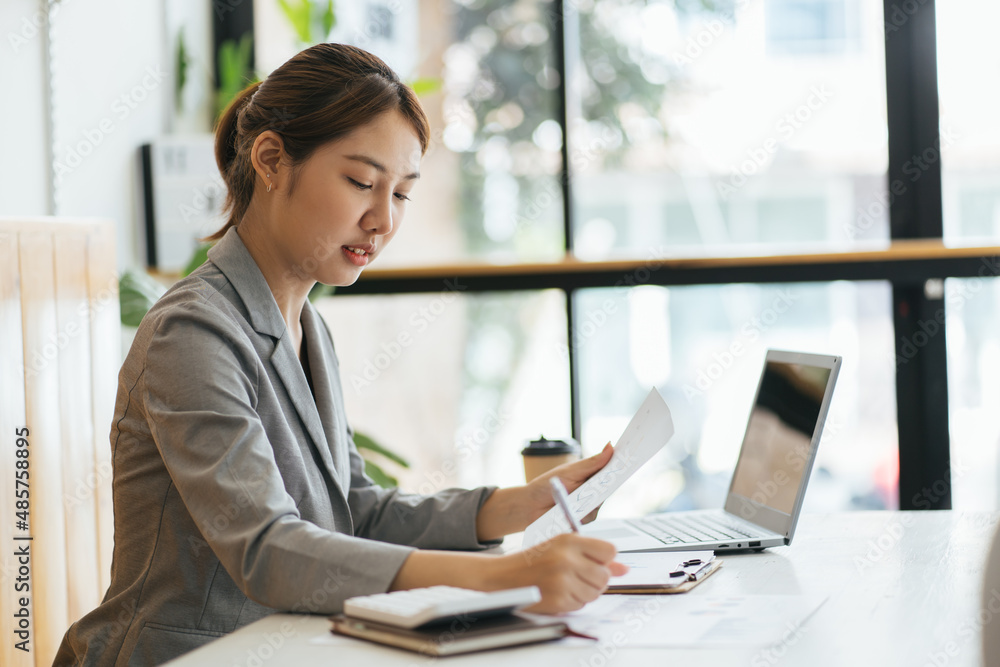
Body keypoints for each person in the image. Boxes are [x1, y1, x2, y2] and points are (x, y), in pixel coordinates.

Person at [54, 43, 626, 666]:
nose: (382, 219)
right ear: (271, 160)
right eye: (361, 182)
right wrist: (503, 576)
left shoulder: (307, 328)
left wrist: (524, 504)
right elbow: (267, 550)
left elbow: (353, 508)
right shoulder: (189, 333)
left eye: (402, 194)